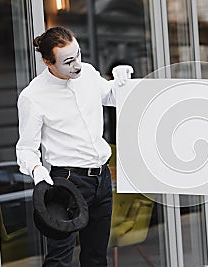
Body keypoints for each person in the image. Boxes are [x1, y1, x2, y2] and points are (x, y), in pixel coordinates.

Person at [16, 26, 132, 267]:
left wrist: (122, 79)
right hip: (66, 182)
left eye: (78, 55)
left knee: (96, 258)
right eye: (68, 61)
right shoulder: (32, 96)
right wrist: (38, 172)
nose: (77, 65)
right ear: (48, 62)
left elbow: (111, 96)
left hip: (100, 178)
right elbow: (26, 149)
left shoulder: (88, 73)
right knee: (60, 259)